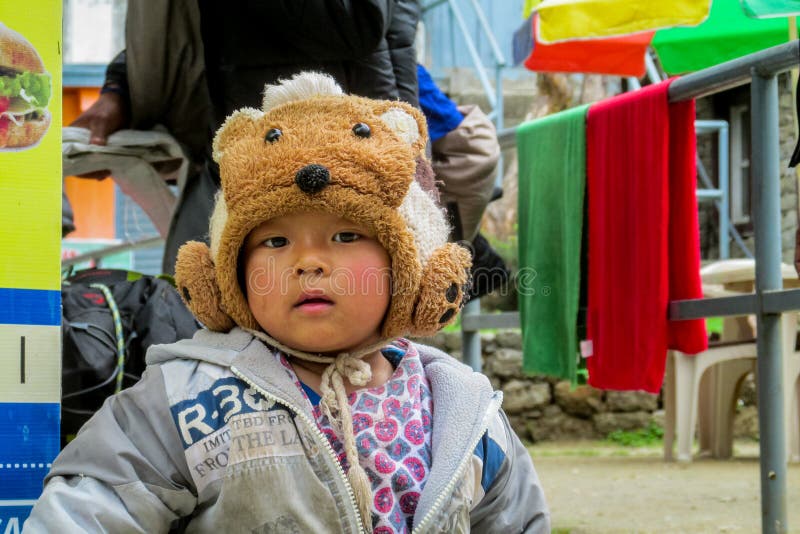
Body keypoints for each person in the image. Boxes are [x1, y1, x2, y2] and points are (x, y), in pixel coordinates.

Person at [26, 73, 549, 533]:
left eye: (346, 236)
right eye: (275, 243)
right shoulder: (184, 401)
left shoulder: (462, 410)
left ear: (417, 272)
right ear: (225, 278)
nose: (309, 262)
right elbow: (90, 507)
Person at [71, 0, 421, 275]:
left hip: (349, 156)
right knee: (201, 313)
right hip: (233, 154)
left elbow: (358, 21)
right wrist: (121, 89)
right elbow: (191, 25)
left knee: (343, 327)